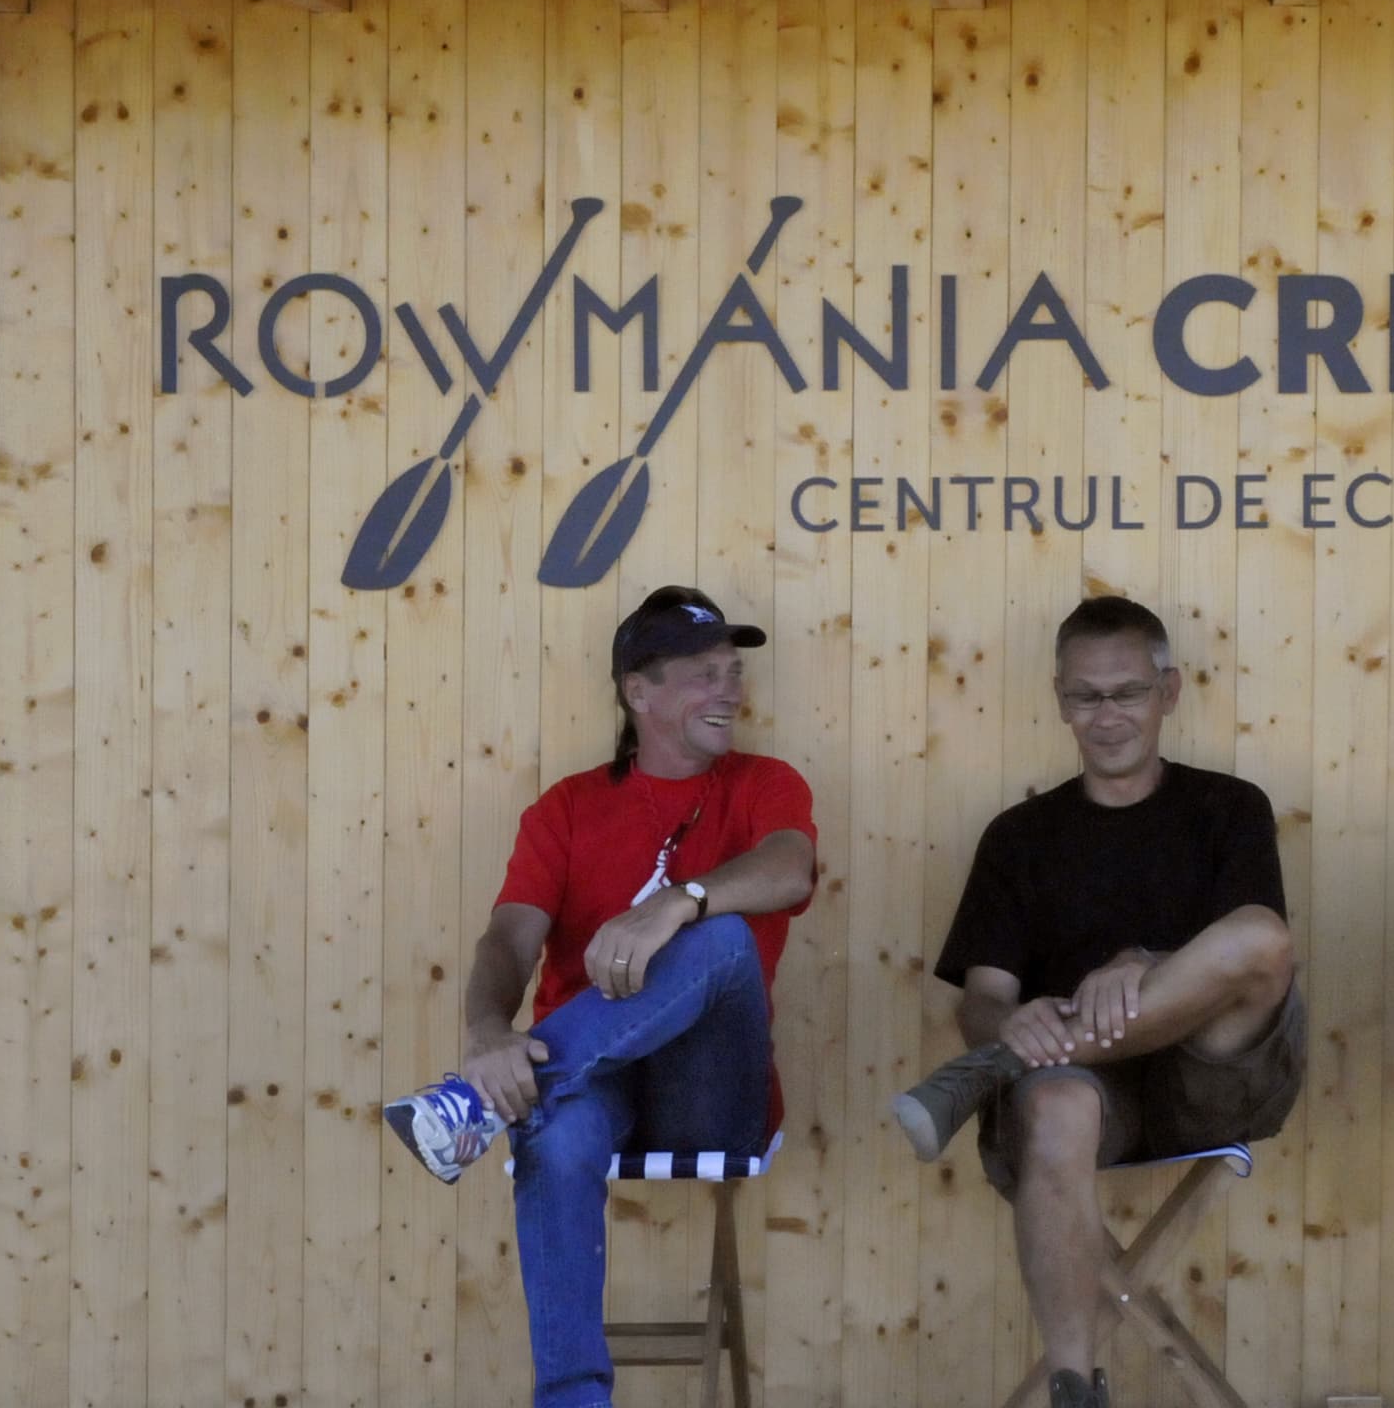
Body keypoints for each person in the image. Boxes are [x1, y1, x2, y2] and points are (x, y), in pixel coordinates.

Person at [382, 585, 817, 1408]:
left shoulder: (766, 783)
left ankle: (473, 1108)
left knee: (721, 939)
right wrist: (487, 1031)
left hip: (709, 1093)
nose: (728, 689)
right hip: (591, 1083)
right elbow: (508, 939)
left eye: (733, 671)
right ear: (638, 691)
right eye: (703, 673)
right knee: (554, 1136)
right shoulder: (568, 807)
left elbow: (791, 870)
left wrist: (678, 901)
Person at [892, 596, 1303, 1408]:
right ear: (1059, 700)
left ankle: (993, 1071)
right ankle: (1075, 1387)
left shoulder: (1229, 808)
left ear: (1168, 692)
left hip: (1212, 1076)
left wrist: (1142, 966)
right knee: (1055, 1104)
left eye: (1127, 692)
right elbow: (981, 1000)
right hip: (1084, 1094)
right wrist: (1008, 1024)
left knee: (1261, 936)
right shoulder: (1018, 837)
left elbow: (1258, 958)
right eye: (1086, 696)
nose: (1107, 715)